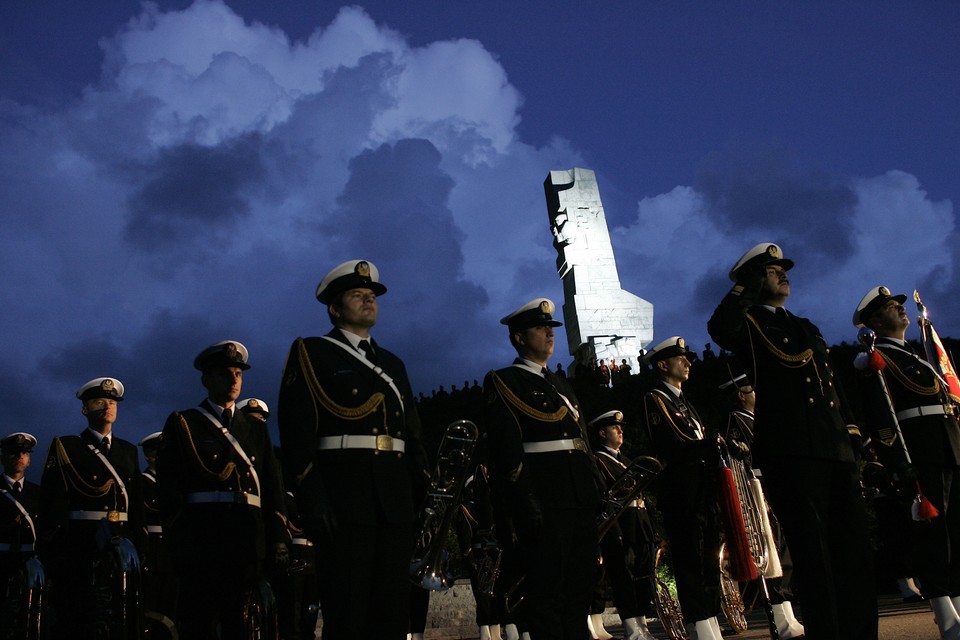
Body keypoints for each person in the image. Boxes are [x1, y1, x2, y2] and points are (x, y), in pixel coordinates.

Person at [707, 242, 877, 640]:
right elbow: (720, 328)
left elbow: (831, 385)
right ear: (753, 279)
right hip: (793, 450)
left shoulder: (806, 326)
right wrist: (746, 288)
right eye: (771, 270)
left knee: (854, 554)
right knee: (815, 557)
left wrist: (851, 436)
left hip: (833, 447)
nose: (783, 274)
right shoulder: (749, 324)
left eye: (783, 269)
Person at [278, 259, 428, 639]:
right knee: (348, 611)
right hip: (344, 500)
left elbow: (411, 433)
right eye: (357, 295)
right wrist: (313, 497)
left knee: (393, 611)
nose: (368, 301)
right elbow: (296, 432)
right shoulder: (312, 353)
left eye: (372, 296)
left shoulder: (393, 362)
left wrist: (422, 490)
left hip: (394, 502)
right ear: (334, 308)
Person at [482, 297, 600, 639]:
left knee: (581, 583)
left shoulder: (561, 384)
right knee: (547, 587)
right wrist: (524, 498)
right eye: (540, 328)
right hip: (546, 497)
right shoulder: (504, 380)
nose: (549, 334)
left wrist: (594, 489)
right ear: (519, 338)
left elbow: (582, 441)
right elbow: (506, 448)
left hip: (579, 493)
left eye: (551, 328)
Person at [157, 340, 289, 640]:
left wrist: (278, 537)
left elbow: (271, 485)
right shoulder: (185, 423)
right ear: (206, 380)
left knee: (241, 624)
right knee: (198, 622)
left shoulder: (256, 429)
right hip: (202, 541)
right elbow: (170, 487)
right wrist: (180, 540)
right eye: (224, 373)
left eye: (238, 374)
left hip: (247, 540)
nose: (233, 380)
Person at [852, 286, 960, 638]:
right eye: (890, 307)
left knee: (955, 532)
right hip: (920, 453)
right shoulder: (877, 357)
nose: (900, 310)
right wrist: (898, 460)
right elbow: (882, 417)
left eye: (899, 305)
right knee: (932, 537)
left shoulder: (915, 356)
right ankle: (946, 615)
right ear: (873, 321)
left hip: (947, 448)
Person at [40, 377, 144, 640]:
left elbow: (136, 503)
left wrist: (139, 547)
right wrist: (55, 554)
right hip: (79, 547)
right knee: (78, 619)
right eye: (99, 401)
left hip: (121, 546)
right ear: (85, 409)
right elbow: (53, 503)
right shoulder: (67, 447)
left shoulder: (128, 451)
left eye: (112, 402)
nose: (107, 407)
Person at [641, 337, 723, 640]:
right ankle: (700, 624)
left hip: (703, 489)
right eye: (680, 359)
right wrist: (708, 446)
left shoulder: (684, 402)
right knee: (691, 557)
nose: (688, 362)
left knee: (709, 556)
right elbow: (671, 444)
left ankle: (711, 618)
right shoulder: (656, 398)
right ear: (663, 365)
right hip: (682, 491)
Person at [719, 375, 804, 639]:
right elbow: (741, 456)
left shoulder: (761, 418)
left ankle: (787, 613)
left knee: (784, 550)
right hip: (758, 487)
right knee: (772, 548)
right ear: (741, 396)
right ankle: (780, 616)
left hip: (774, 483)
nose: (758, 393)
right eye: (752, 390)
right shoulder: (737, 419)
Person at [589, 410, 658, 640]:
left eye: (620, 427)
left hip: (639, 524)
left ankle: (642, 625)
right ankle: (631, 627)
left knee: (641, 577)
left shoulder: (626, 461)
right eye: (613, 428)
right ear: (601, 433)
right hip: (621, 525)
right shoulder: (598, 460)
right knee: (624, 577)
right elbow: (605, 499)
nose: (620, 430)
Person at [139, 431, 177, 633]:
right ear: (148, 455)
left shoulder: (175, 484)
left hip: (172, 549)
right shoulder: (142, 483)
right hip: (153, 550)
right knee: (152, 606)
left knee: (172, 606)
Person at [1, 431, 42, 612]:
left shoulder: (39, 493)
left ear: (29, 459)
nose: (20, 456)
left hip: (29, 563)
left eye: (24, 453)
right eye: (14, 452)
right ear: (2, 457)